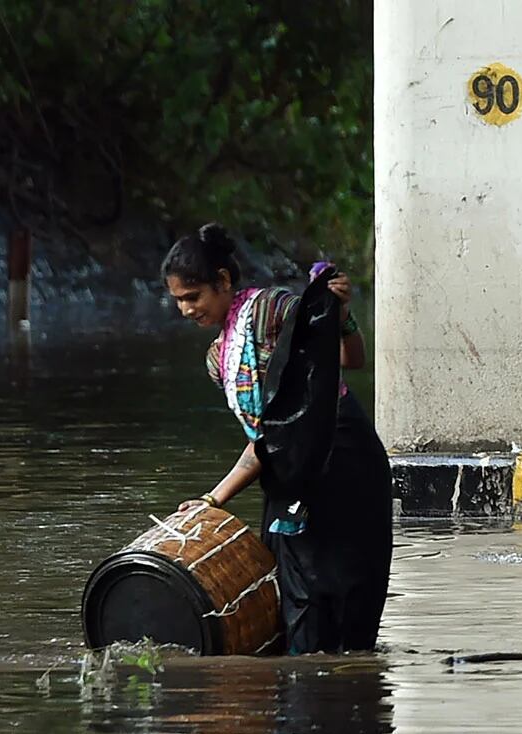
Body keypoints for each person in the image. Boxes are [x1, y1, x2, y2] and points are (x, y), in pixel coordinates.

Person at [162, 223, 393, 652]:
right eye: (178, 301)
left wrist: (338, 312)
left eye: (193, 297)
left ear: (224, 282)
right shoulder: (219, 360)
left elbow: (350, 357)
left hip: (342, 460)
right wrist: (212, 500)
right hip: (291, 474)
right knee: (296, 602)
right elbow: (266, 441)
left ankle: (346, 690)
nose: (187, 310)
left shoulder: (271, 311)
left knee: (349, 597)